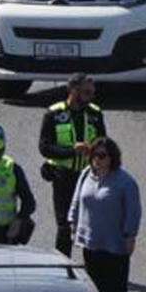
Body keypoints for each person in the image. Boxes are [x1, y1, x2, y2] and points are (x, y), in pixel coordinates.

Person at [69, 137, 140, 292]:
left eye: (102, 156)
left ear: (112, 158)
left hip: (115, 245)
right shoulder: (86, 174)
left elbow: (133, 211)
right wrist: (72, 222)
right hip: (91, 244)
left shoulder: (125, 182)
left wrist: (130, 235)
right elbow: (77, 200)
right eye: (94, 155)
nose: (97, 160)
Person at [38, 72, 107, 256]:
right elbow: (45, 148)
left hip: (89, 177)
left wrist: (94, 150)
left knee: (90, 224)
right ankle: (62, 263)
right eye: (86, 92)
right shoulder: (54, 113)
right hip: (63, 177)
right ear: (72, 90)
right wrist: (72, 150)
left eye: (92, 92)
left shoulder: (95, 113)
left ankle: (92, 265)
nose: (91, 97)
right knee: (64, 226)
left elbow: (104, 144)